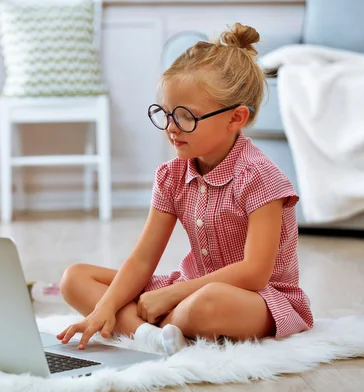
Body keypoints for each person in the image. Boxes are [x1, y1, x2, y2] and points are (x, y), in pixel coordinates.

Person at [57, 22, 314, 355]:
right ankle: (152, 338)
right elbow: (142, 259)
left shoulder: (260, 177)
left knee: (206, 303)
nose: (171, 128)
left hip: (257, 299)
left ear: (235, 118)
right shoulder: (171, 175)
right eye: (165, 114)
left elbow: (254, 273)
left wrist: (172, 296)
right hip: (188, 289)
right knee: (74, 278)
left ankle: (142, 326)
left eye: (186, 117)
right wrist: (105, 306)